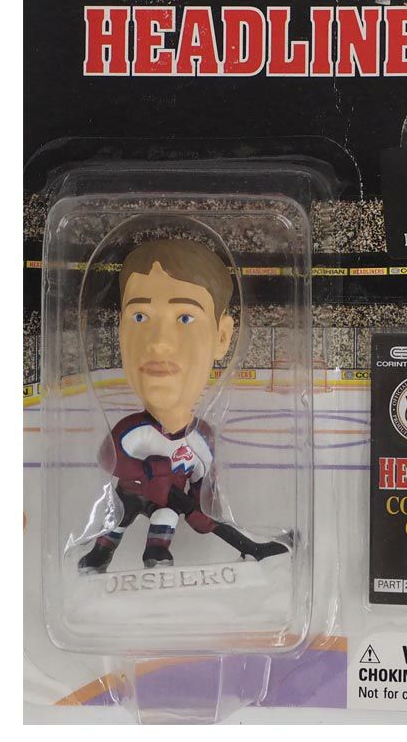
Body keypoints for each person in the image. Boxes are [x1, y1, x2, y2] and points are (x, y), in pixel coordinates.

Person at [78, 239, 288, 572]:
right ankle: (99, 554)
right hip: (129, 496)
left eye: (185, 318)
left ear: (222, 337)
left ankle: (157, 553)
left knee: (166, 516)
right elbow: (110, 458)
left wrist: (202, 510)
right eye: (140, 316)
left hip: (167, 502)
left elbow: (204, 487)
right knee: (117, 518)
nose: (159, 342)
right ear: (121, 330)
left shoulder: (202, 439)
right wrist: (149, 472)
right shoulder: (134, 431)